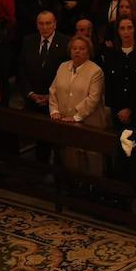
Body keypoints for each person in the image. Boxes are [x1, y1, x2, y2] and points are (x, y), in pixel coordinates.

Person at [48, 34, 110, 175]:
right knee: (71, 160)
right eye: (74, 48)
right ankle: (73, 188)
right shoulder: (63, 66)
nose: (77, 51)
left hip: (90, 123)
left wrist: (77, 116)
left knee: (92, 161)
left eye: (82, 48)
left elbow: (93, 99)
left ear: (88, 51)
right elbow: (53, 90)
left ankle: (94, 190)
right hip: (65, 122)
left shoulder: (96, 71)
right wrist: (54, 111)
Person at [102, 17, 136, 133]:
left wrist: (130, 109)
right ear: (118, 32)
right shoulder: (111, 55)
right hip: (117, 113)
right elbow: (109, 85)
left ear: (135, 30)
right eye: (122, 28)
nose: (126, 32)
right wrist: (117, 109)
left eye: (129, 28)